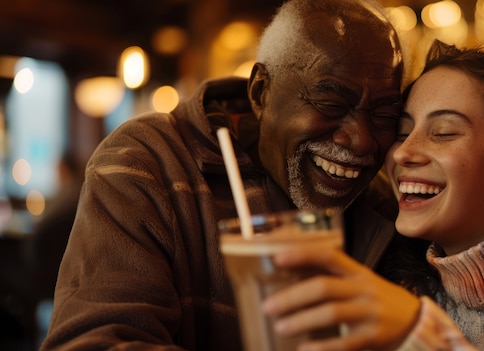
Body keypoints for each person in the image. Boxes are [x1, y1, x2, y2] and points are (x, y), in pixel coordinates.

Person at [40, 1, 407, 350]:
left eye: (384, 115)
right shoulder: (151, 160)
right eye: (331, 104)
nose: (361, 142)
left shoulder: (385, 203)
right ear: (261, 92)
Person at [261, 40, 484, 351]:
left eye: (444, 132)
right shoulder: (410, 290)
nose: (404, 153)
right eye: (403, 133)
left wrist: (418, 332)